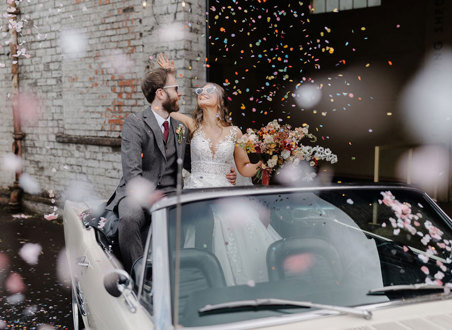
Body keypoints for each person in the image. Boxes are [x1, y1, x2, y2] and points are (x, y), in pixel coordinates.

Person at [105, 65, 236, 272]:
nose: (180, 93)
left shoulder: (180, 128)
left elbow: (192, 163)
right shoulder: (136, 123)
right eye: (175, 89)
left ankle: (199, 268)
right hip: (136, 193)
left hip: (171, 193)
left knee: (204, 214)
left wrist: (221, 171)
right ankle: (138, 274)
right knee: (129, 218)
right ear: (160, 93)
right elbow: (132, 172)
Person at [170, 82, 281, 285]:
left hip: (224, 192)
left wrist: (264, 163)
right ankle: (203, 282)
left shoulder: (234, 132)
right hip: (197, 193)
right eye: (199, 91)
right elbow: (167, 110)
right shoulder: (192, 126)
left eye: (209, 90)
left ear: (221, 99)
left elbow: (244, 167)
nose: (202, 93)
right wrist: (169, 78)